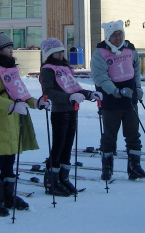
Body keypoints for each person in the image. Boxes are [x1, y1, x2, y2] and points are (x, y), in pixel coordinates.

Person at [0, 32, 44, 216]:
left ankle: (7, 195)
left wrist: (36, 103)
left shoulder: (10, 68)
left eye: (11, 47)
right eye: (7, 47)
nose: (11, 50)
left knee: (10, 158)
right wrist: (12, 105)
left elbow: (20, 92)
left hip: (14, 119)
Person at [39, 37, 101, 196]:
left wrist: (89, 94)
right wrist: (68, 97)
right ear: (49, 54)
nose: (60, 55)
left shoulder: (66, 68)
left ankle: (63, 177)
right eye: (56, 52)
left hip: (72, 109)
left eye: (61, 51)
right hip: (60, 111)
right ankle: (52, 180)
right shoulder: (48, 69)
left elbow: (75, 88)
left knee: (68, 146)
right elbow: (48, 92)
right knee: (59, 145)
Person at [90, 20, 145, 181]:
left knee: (133, 134)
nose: (118, 37)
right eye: (114, 35)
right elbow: (100, 76)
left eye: (120, 34)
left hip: (130, 99)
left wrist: (138, 88)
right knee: (109, 135)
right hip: (111, 101)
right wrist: (115, 91)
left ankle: (134, 167)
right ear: (108, 36)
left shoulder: (130, 49)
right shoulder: (100, 52)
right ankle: (107, 167)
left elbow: (136, 69)